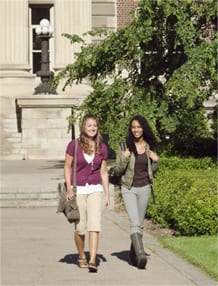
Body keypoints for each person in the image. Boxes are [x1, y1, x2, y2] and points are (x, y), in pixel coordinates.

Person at [112, 115, 159, 269]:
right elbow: (118, 170)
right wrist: (125, 157)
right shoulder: (124, 145)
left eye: (138, 127)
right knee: (134, 221)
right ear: (130, 129)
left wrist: (156, 161)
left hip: (145, 188)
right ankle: (141, 255)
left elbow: (153, 172)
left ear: (143, 128)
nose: (136, 130)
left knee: (139, 224)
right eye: (133, 127)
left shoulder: (149, 146)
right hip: (129, 188)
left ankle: (134, 254)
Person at [64, 114, 110, 273]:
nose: (92, 128)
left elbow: (104, 172)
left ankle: (92, 260)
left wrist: (107, 194)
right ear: (84, 127)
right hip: (79, 189)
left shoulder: (102, 147)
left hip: (95, 189)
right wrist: (69, 188)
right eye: (89, 125)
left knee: (95, 225)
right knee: (80, 227)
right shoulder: (74, 145)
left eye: (95, 125)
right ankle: (82, 255)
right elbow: (67, 167)